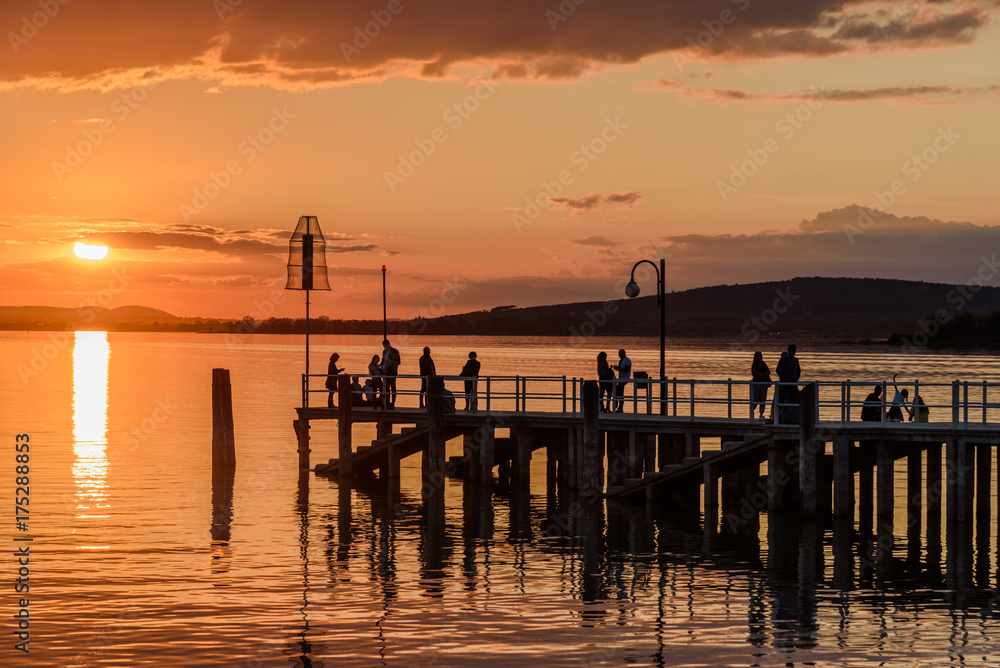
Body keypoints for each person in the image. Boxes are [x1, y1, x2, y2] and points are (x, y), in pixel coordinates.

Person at [775, 344, 801, 424]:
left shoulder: (795, 360)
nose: (794, 352)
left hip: (793, 384)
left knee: (794, 400)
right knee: (785, 400)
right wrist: (784, 378)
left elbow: (798, 370)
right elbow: (778, 370)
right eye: (793, 350)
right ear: (789, 350)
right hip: (785, 384)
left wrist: (796, 378)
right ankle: (784, 417)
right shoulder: (783, 359)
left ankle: (793, 417)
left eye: (795, 350)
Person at [380, 339, 401, 408]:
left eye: (385, 346)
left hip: (392, 373)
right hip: (385, 373)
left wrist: (390, 361)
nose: (384, 348)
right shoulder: (384, 352)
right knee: (386, 389)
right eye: (383, 346)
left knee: (393, 388)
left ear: (388, 345)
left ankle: (393, 403)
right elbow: (383, 360)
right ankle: (387, 403)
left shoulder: (395, 351)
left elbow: (398, 361)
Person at [750, 351, 771, 420]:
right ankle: (752, 410)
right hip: (757, 383)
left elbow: (768, 371)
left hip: (764, 383)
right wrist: (763, 374)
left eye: (761, 355)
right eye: (760, 356)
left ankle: (761, 414)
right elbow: (756, 374)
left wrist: (762, 374)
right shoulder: (755, 365)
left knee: (763, 399)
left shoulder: (763, 363)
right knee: (756, 398)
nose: (761, 357)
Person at [611, 348, 632, 413]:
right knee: (618, 392)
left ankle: (620, 407)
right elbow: (621, 369)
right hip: (620, 378)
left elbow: (626, 370)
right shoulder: (621, 361)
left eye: (619, 354)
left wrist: (618, 368)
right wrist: (617, 368)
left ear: (623, 354)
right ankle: (618, 406)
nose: (618, 355)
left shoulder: (627, 360)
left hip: (625, 378)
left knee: (619, 392)